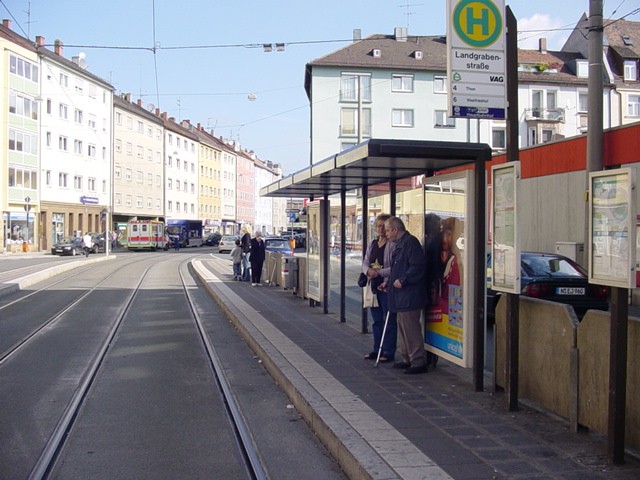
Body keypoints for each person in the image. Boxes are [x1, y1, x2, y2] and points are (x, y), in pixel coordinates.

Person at [382, 216, 428, 374]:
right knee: (403, 329)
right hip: (401, 296)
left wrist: (403, 280)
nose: (386, 233)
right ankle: (407, 358)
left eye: (388, 230)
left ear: (395, 230)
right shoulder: (400, 244)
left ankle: (418, 361)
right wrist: (388, 283)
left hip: (409, 295)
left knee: (411, 329)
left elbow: (417, 266)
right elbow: (397, 269)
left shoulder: (410, 243)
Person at [362, 214, 396, 363]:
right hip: (373, 286)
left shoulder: (392, 244)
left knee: (388, 319)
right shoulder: (373, 243)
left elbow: (394, 267)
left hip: (386, 286)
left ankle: (388, 351)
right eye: (378, 226)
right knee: (376, 320)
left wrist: (380, 273)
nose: (381, 229)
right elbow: (365, 262)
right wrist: (367, 271)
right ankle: (377, 349)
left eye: (384, 226)